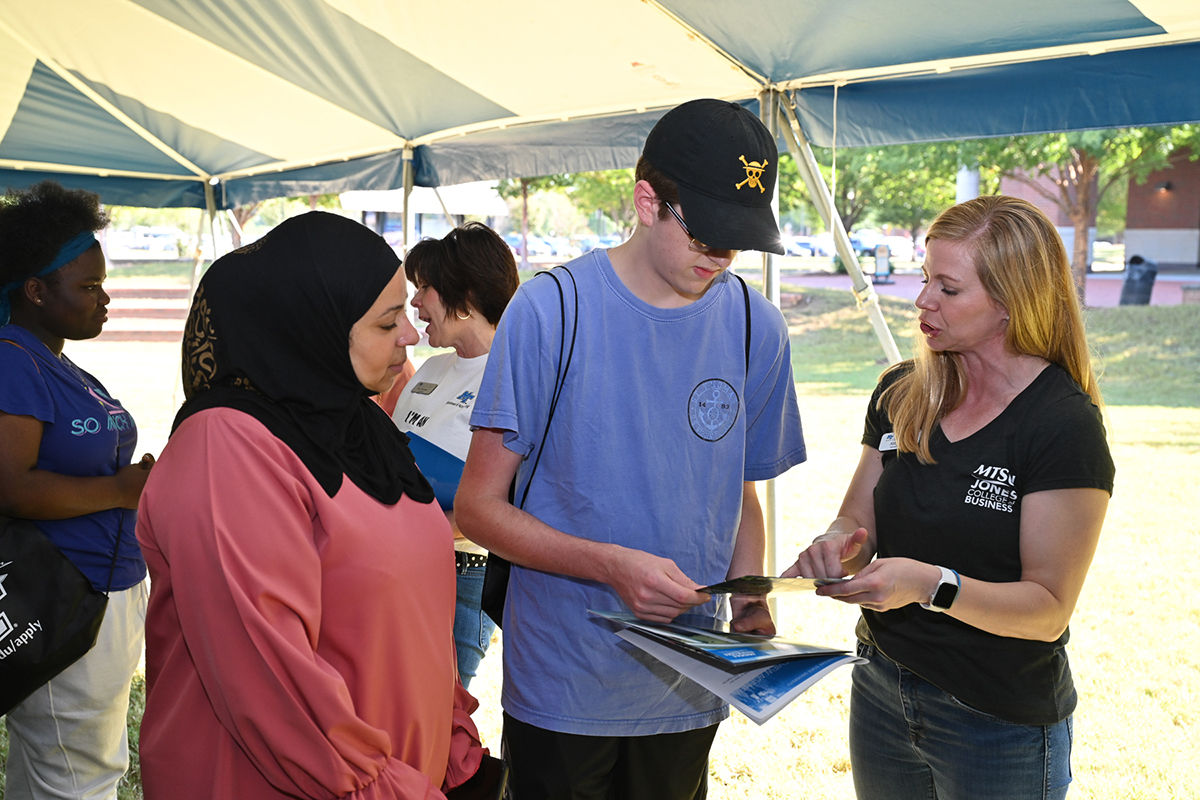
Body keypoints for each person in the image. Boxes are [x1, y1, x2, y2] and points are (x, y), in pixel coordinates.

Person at [456, 99, 806, 799]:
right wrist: (609, 566)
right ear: (648, 201)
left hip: (688, 686)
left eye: (737, 241)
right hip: (564, 684)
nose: (720, 255)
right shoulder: (552, 310)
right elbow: (478, 508)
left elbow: (738, 492)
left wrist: (750, 600)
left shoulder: (752, 326)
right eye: (705, 233)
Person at [135, 212, 495, 800]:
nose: (409, 334)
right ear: (311, 327)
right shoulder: (225, 450)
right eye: (386, 322)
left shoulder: (361, 427)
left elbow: (419, 626)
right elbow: (272, 689)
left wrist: (455, 753)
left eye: (405, 311)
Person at [783, 195, 1114, 800]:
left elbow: (1047, 610)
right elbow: (857, 521)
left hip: (997, 721)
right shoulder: (901, 392)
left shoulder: (1061, 424)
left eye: (948, 288)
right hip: (882, 689)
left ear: (1011, 304)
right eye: (925, 277)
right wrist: (835, 548)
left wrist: (933, 584)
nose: (921, 300)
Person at [0, 180, 154, 800]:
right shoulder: (14, 358)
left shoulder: (53, 360)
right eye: (87, 286)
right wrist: (122, 490)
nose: (104, 297)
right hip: (64, 592)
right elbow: (11, 487)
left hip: (101, 583)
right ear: (36, 291)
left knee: (54, 769)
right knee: (79, 775)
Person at [390, 223, 519, 688]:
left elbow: (510, 502)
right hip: (404, 564)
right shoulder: (429, 368)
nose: (415, 303)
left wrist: (414, 532)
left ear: (465, 300)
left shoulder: (517, 376)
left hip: (466, 577)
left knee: (441, 713)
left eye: (425, 287)